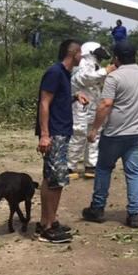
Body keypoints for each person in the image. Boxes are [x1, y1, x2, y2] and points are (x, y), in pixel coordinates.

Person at [82, 40, 138, 229]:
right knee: (134, 173)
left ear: (116, 58)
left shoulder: (114, 77)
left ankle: (97, 208)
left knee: (103, 169)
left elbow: (106, 104)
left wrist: (94, 129)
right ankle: (134, 214)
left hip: (115, 133)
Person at [35, 39, 86, 244]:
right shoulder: (55, 72)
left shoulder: (65, 74)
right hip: (54, 133)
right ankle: (47, 229)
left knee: (50, 178)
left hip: (61, 132)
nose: (82, 57)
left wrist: (75, 97)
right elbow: (44, 102)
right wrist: (45, 134)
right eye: (80, 53)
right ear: (73, 53)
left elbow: (57, 99)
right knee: (56, 181)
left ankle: (47, 221)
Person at [67, 42, 111, 179]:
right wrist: (105, 71)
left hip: (93, 105)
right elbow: (85, 79)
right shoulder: (83, 64)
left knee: (94, 135)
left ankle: (91, 165)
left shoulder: (96, 66)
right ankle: (70, 166)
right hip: (80, 106)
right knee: (78, 135)